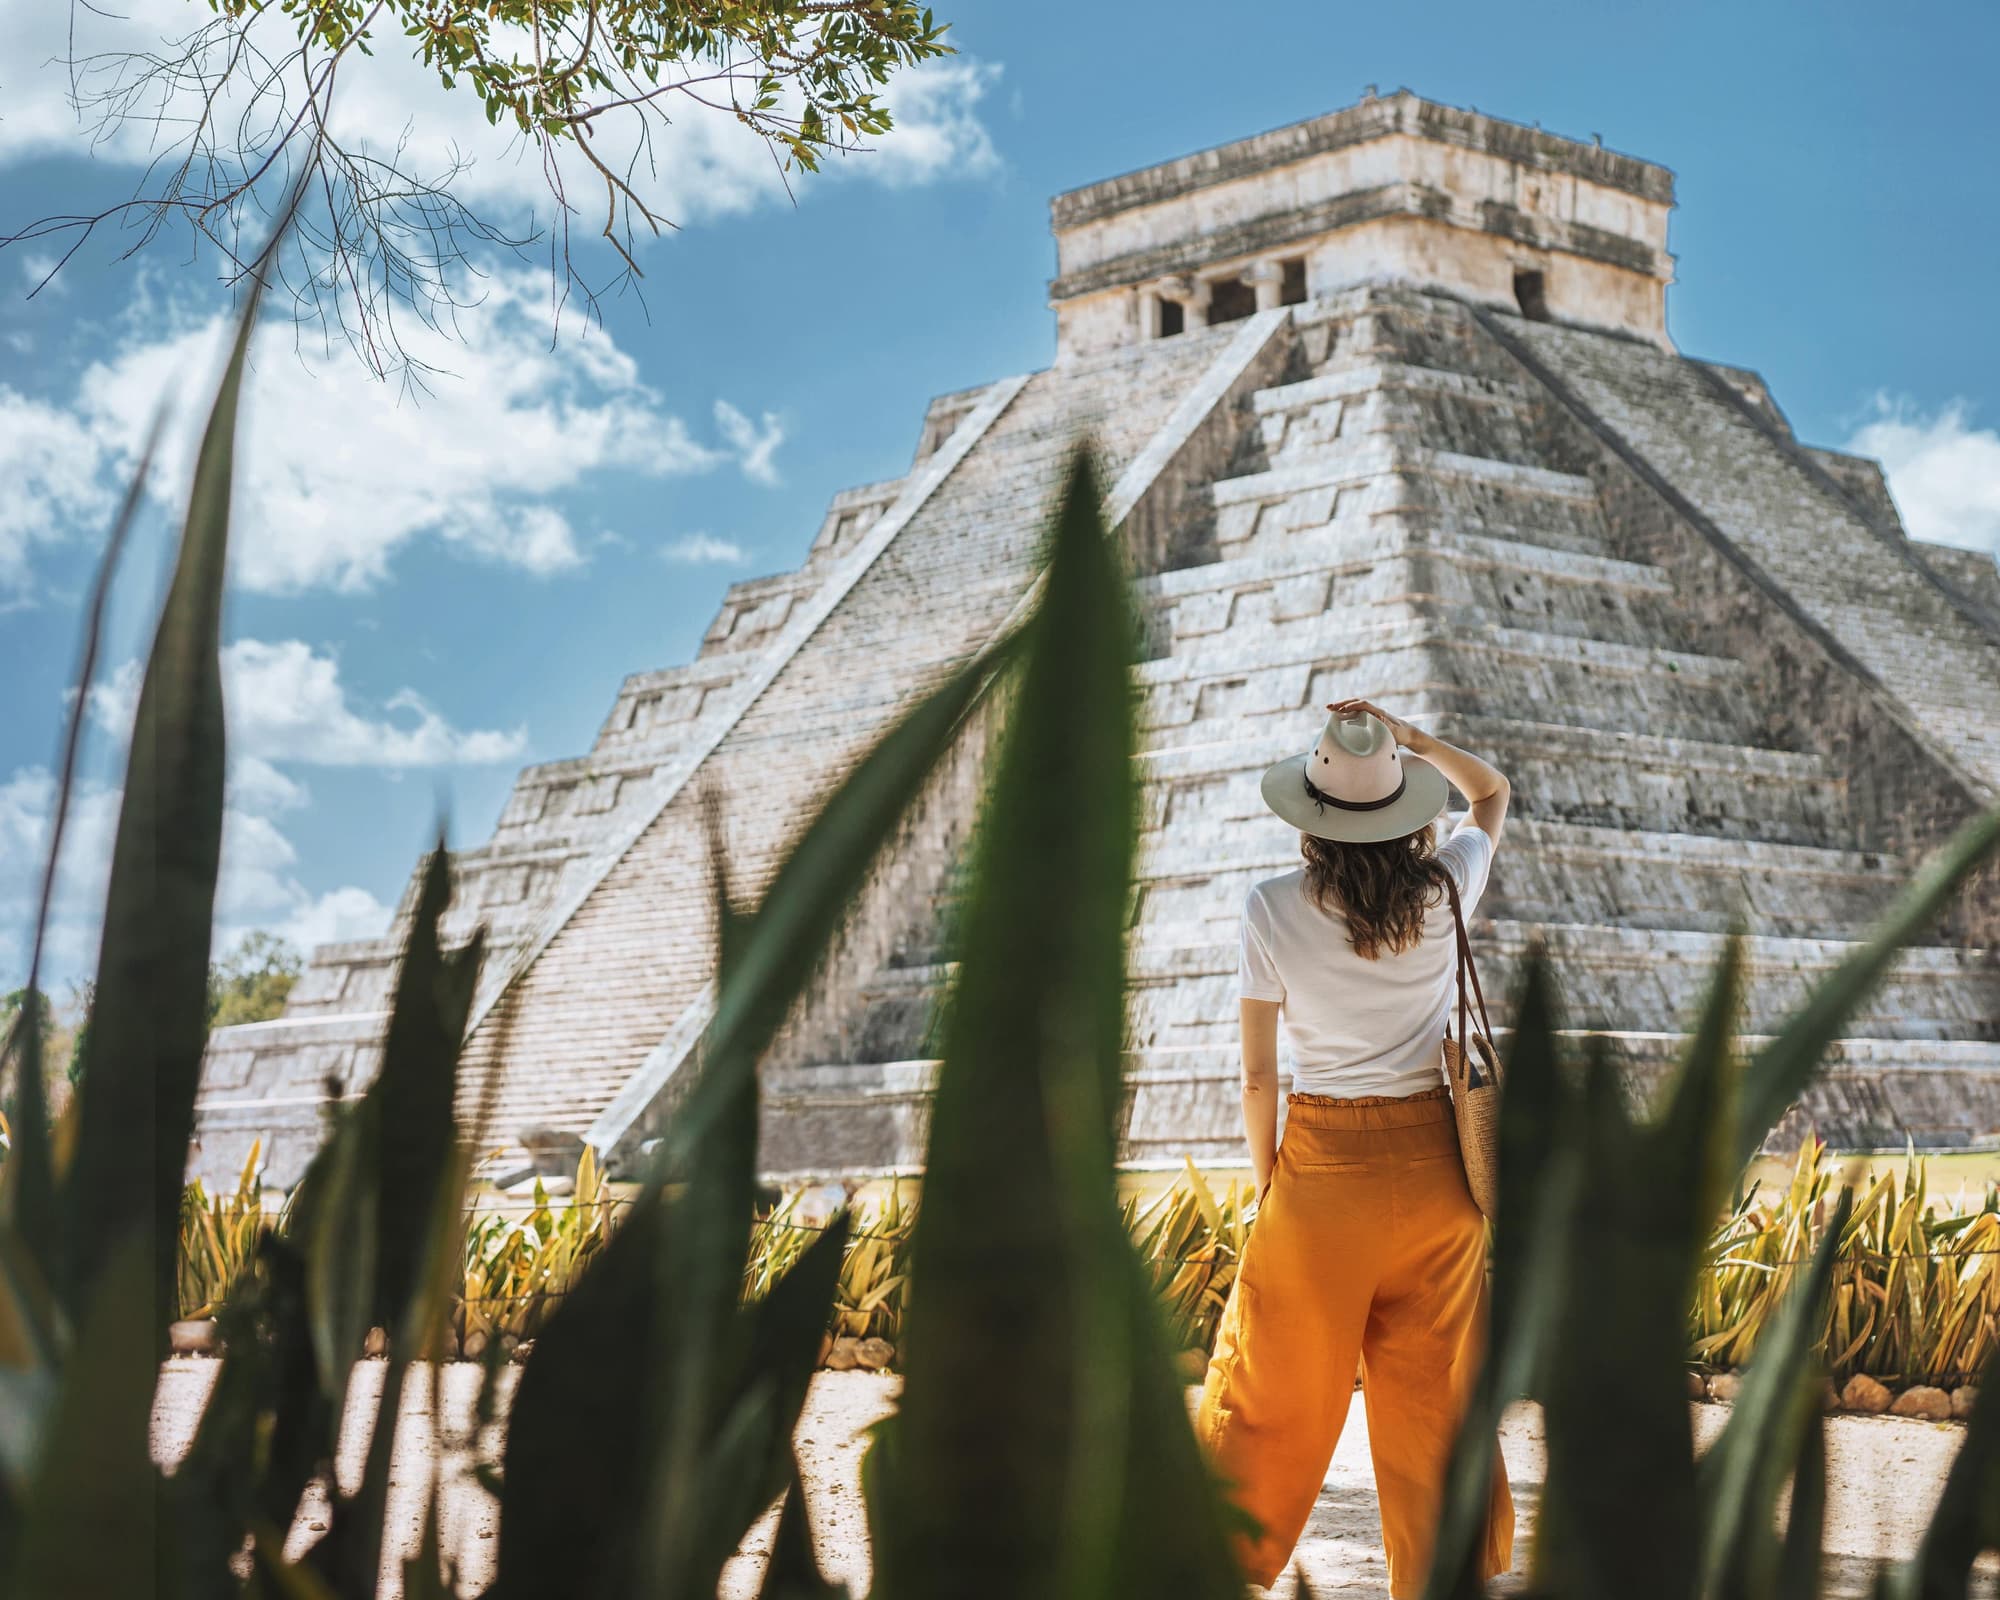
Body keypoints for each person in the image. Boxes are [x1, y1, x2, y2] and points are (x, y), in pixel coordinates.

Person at [1194, 696, 1515, 1595]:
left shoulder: (1270, 908)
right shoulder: (1449, 885)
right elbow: (1490, 794)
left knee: (1268, 1390)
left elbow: (1259, 1079)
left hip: (1320, 1177)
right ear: (1407, 811)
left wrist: (1273, 1186)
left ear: (1313, 813)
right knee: (1434, 1406)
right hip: (1436, 1183)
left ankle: (1212, 1556)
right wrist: (1414, 742)